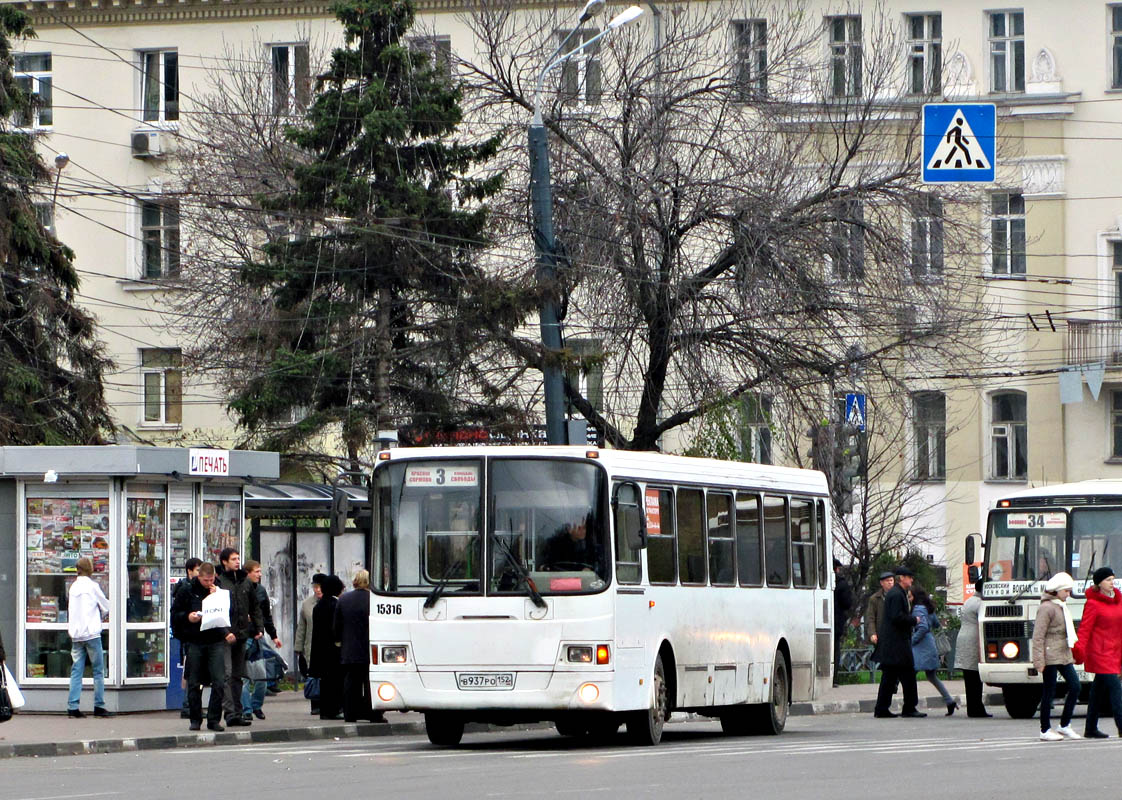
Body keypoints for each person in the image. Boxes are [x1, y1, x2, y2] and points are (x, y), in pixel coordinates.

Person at [171, 561, 233, 732]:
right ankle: (195, 718)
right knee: (194, 682)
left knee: (219, 681)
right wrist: (188, 617)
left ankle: (214, 719)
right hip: (195, 640)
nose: (209, 583)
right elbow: (175, 613)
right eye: (205, 580)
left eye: (211, 579)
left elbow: (229, 611)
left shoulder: (219, 589)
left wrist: (217, 596)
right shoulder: (187, 590)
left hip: (215, 639)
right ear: (199, 577)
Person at [215, 548, 263, 727]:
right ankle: (229, 713)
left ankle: (237, 711)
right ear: (224, 562)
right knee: (227, 674)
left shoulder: (245, 581)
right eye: (233, 559)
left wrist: (258, 627)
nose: (237, 561)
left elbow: (254, 606)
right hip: (225, 635)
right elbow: (216, 610)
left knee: (238, 675)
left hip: (242, 633)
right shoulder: (219, 581)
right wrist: (225, 632)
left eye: (238, 558)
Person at [1033, 572, 1081, 741]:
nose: (1068, 594)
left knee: (1075, 686)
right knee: (1049, 691)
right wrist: (1039, 660)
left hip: (1063, 653)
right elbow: (1038, 635)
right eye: (1066, 591)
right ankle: (1045, 729)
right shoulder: (1046, 608)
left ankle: (1064, 725)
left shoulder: (1060, 605)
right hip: (1050, 654)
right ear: (1057, 590)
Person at [1075, 566, 1122, 738]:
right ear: (1099, 584)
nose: (1112, 583)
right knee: (1116, 689)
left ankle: (1090, 728)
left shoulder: (1118, 600)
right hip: (1100, 653)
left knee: (1098, 690)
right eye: (1108, 580)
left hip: (1115, 651)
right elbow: (1085, 630)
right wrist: (1079, 651)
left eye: (1113, 579)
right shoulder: (1093, 604)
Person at [873, 566, 925, 718]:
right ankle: (909, 707)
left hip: (893, 644)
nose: (911, 580)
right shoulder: (897, 594)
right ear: (901, 578)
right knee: (908, 675)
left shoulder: (896, 592)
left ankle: (881, 708)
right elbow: (897, 617)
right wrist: (913, 620)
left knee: (889, 678)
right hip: (897, 644)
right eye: (909, 577)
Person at [67, 557, 111, 718]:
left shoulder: (73, 587)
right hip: (92, 633)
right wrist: (102, 614)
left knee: (76, 671)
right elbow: (106, 606)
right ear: (90, 569)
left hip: (76, 635)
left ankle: (73, 706)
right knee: (98, 670)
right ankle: (99, 706)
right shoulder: (93, 587)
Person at [335, 570, 381, 722]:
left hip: (350, 648)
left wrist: (339, 641)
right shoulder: (375, 600)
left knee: (350, 683)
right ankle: (373, 714)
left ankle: (350, 714)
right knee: (370, 682)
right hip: (370, 647)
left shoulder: (344, 599)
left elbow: (337, 625)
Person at [240, 560, 282, 721]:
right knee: (243, 676)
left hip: (257, 637)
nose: (259, 574)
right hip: (244, 637)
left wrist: (274, 635)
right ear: (248, 573)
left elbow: (266, 616)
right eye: (256, 571)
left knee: (261, 677)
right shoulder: (241, 589)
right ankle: (247, 709)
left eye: (260, 571)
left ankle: (256, 705)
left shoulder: (261, 591)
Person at [910, 584, 956, 715]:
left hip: (921, 647)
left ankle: (911, 705)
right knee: (932, 676)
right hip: (930, 645)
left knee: (909, 675)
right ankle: (949, 701)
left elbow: (923, 627)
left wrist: (912, 641)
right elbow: (935, 624)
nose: (909, 597)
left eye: (910, 595)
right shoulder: (927, 608)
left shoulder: (918, 609)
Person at [954, 578, 992, 718]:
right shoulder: (980, 603)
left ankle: (973, 707)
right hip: (973, 640)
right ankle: (976, 708)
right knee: (975, 677)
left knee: (969, 677)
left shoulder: (969, 600)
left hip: (964, 637)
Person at [310, 575, 345, 720]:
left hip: (320, 649)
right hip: (334, 649)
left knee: (325, 681)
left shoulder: (319, 605)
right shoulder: (335, 605)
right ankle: (334, 709)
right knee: (336, 681)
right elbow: (338, 627)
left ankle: (325, 710)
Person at [173, 558, 203, 719]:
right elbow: (178, 613)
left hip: (194, 635)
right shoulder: (185, 588)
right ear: (189, 571)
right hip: (188, 636)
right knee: (189, 670)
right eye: (197, 570)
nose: (200, 574)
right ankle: (187, 705)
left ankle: (190, 705)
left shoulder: (201, 588)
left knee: (192, 670)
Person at [295, 573, 326, 714]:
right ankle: (315, 704)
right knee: (313, 674)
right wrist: (298, 648)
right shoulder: (307, 604)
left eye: (320, 587)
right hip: (311, 646)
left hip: (326, 644)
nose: (317, 590)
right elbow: (302, 627)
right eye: (315, 587)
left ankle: (327, 702)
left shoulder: (334, 601)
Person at [832, 559, 854, 686]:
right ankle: (834, 678)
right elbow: (847, 603)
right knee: (835, 650)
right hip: (837, 620)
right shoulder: (842, 584)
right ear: (836, 569)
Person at [865, 571, 894, 649]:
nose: (890, 583)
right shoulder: (874, 599)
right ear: (882, 583)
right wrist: (872, 633)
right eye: (887, 581)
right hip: (881, 634)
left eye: (891, 580)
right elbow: (870, 618)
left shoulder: (898, 596)